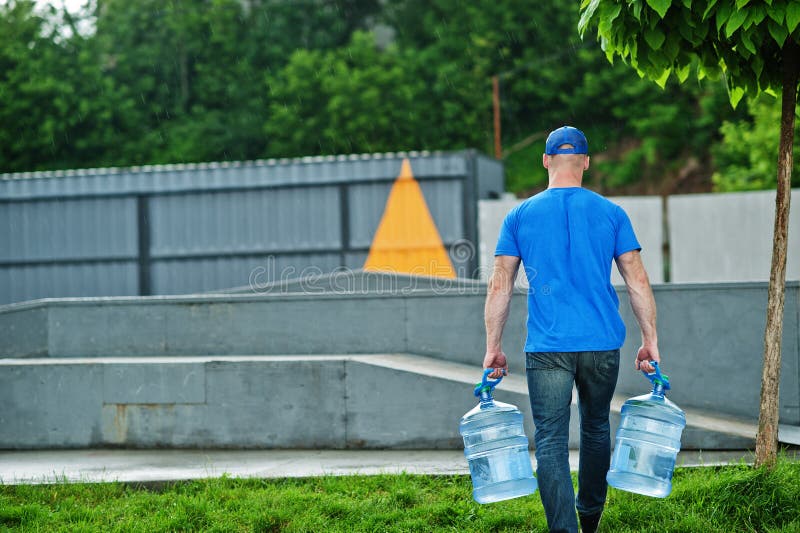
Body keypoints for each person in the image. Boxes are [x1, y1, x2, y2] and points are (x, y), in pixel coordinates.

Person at [483, 126, 659, 533]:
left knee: (549, 440)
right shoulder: (611, 214)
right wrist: (650, 341)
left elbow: (500, 284)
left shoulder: (520, 216)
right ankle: (590, 518)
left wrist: (493, 347)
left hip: (547, 347)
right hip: (601, 344)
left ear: (545, 160)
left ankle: (563, 530)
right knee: (597, 427)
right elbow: (638, 280)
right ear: (586, 162)